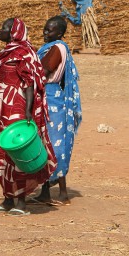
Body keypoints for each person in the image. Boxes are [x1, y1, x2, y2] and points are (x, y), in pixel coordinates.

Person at [0, 18, 57, 216]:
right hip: (3, 113)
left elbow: (30, 84)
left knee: (18, 155)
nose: (0, 30)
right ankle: (8, 199)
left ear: (14, 31)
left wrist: (27, 112)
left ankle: (21, 203)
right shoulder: (6, 54)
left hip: (17, 109)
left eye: (4, 27)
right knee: (5, 155)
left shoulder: (24, 53)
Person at [31, 15, 82, 206]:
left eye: (49, 30)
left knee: (55, 145)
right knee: (46, 144)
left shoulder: (58, 48)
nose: (45, 33)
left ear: (60, 33)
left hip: (52, 100)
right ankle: (45, 192)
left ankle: (62, 193)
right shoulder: (49, 48)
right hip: (46, 97)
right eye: (44, 29)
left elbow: (44, 70)